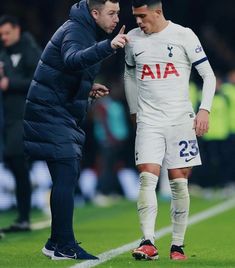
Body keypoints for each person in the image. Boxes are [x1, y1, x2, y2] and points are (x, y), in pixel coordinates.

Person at [23, 0, 128, 261]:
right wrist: (108, 46)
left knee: (65, 177)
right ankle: (64, 245)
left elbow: (65, 73)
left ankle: (55, 243)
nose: (116, 19)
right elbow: (71, 60)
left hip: (53, 110)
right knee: (66, 174)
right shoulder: (76, 30)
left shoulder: (84, 29)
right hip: (49, 113)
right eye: (111, 13)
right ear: (94, 13)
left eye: (117, 13)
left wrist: (87, 89)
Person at [124, 0, 216, 261]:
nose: (138, 22)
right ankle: (148, 241)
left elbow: (208, 75)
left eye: (142, 16)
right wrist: (134, 110)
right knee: (147, 176)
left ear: (157, 12)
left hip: (179, 120)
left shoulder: (183, 35)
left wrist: (204, 109)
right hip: (149, 121)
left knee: (178, 181)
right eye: (135, 17)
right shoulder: (132, 39)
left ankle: (177, 245)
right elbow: (129, 74)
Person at [0, 15, 41, 233]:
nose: (4, 38)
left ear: (17, 29)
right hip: (8, 117)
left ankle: (25, 215)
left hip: (25, 116)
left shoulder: (29, 48)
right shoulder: (4, 52)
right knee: (16, 166)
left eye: (7, 33)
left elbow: (38, 79)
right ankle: (23, 216)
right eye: (1, 35)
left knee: (17, 161)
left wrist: (9, 82)